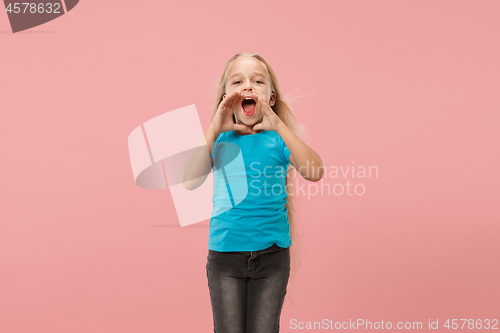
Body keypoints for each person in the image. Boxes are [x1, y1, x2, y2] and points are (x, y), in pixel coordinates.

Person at [182, 52, 324, 333]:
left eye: (258, 81)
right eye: (238, 82)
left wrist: (280, 126)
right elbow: (189, 180)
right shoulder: (220, 139)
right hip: (225, 257)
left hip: (272, 258)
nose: (248, 87)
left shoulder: (279, 140)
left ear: (271, 99)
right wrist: (214, 126)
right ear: (226, 97)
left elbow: (315, 171)